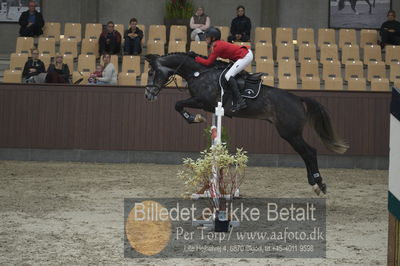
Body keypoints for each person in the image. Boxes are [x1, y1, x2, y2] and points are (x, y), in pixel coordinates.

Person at [192, 27, 252, 112]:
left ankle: (241, 101)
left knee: (228, 75)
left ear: (213, 38)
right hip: (242, 56)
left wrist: (195, 58)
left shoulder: (218, 46)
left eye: (207, 37)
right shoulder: (216, 45)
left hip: (245, 56)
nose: (205, 38)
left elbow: (208, 62)